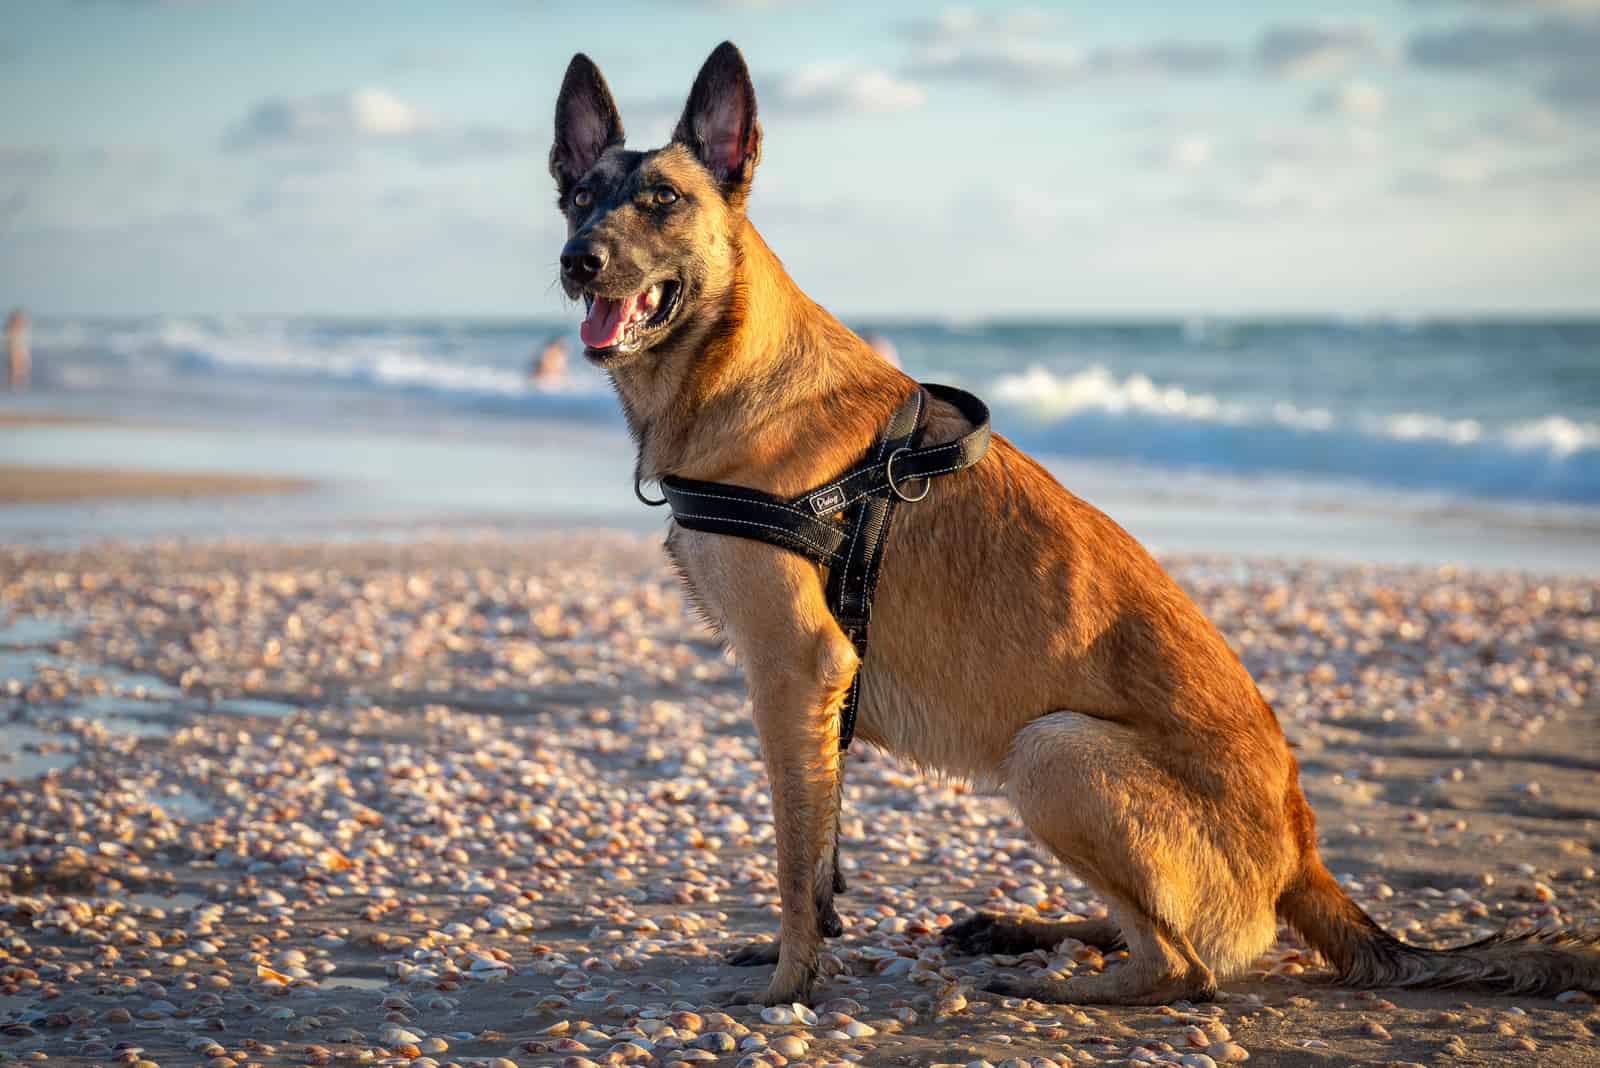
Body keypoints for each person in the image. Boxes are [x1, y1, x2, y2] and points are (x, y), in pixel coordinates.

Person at [5, 308, 28, 390]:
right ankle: (14, 382)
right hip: (15, 350)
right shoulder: (11, 329)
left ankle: (16, 382)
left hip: (19, 350)